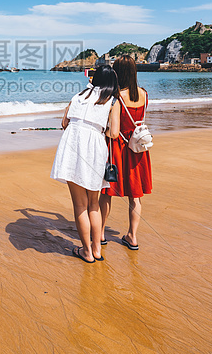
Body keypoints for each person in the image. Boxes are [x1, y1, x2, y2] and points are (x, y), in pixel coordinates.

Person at [50, 64, 121, 263]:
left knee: (79, 205)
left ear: (94, 78)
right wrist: (100, 131)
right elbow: (114, 133)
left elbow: (64, 122)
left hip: (73, 144)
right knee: (93, 204)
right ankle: (96, 250)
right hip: (95, 147)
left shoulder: (78, 95)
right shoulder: (113, 101)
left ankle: (86, 252)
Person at [99, 56, 152, 252]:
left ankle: (101, 232)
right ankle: (132, 236)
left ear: (117, 72)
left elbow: (113, 127)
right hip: (137, 148)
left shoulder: (116, 97)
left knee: (107, 193)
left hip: (118, 148)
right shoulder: (144, 94)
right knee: (135, 196)